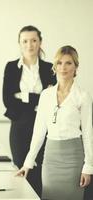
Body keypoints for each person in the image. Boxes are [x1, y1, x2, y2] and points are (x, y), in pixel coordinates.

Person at [17, 45, 93, 200]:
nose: (63, 67)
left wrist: (88, 167)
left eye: (68, 63)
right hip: (50, 158)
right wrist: (28, 163)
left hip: (74, 159)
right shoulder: (46, 95)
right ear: (55, 66)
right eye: (59, 63)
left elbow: (87, 133)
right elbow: (39, 132)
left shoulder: (83, 96)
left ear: (76, 66)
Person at [2, 25, 56, 195]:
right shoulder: (11, 67)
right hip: (19, 124)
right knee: (21, 167)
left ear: (40, 42)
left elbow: (53, 99)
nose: (29, 45)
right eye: (25, 41)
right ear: (19, 43)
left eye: (34, 40)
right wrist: (38, 98)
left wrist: (24, 96)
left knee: (41, 168)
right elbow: (8, 100)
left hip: (45, 126)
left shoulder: (50, 67)